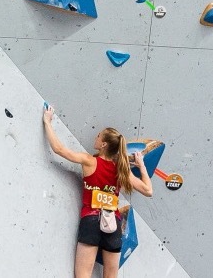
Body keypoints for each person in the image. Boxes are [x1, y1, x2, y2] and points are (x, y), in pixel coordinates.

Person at [42, 105, 153, 278]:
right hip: (112, 225)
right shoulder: (121, 169)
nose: (96, 137)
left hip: (91, 221)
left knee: (83, 275)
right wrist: (142, 165)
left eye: (98, 135)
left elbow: (59, 149)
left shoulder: (89, 162)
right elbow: (148, 190)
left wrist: (47, 122)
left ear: (103, 144)